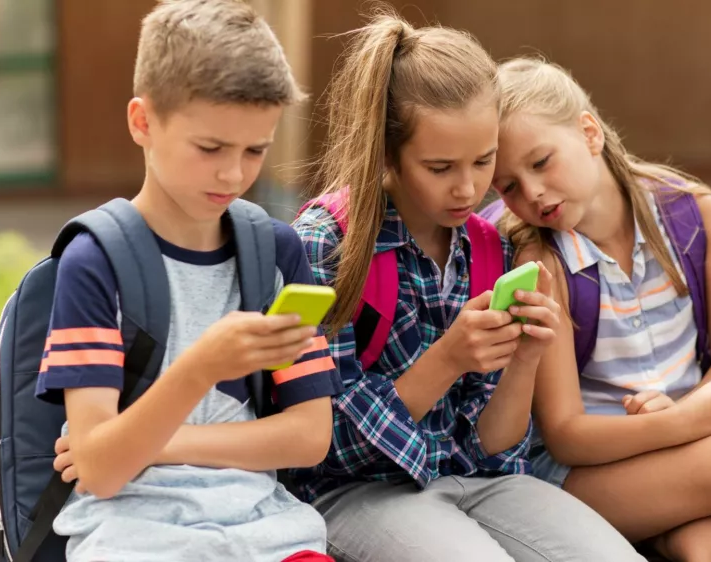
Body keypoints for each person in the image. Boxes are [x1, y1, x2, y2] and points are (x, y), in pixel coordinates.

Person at [291, 8, 645, 562]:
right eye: (440, 167)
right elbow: (322, 445)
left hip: (475, 482)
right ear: (387, 154)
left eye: (483, 162)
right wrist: (447, 359)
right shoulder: (324, 246)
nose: (468, 188)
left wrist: (525, 359)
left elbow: (494, 449)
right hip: (356, 491)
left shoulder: (489, 247)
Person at [490, 57, 711, 562]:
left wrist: (688, 408)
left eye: (540, 162)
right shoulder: (542, 264)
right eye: (508, 186)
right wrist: (687, 421)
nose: (532, 192)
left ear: (589, 133)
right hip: (587, 480)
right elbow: (565, 436)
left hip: (688, 456)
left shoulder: (694, 214)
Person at [41, 1, 341, 560]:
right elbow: (102, 472)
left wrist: (158, 446)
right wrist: (202, 366)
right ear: (142, 122)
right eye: (211, 149)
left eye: (256, 150)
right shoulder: (95, 260)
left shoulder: (276, 251)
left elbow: (308, 437)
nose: (234, 174)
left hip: (270, 532)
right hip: (132, 538)